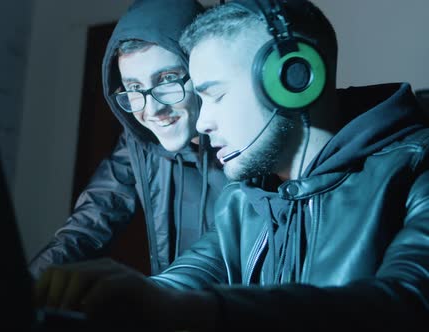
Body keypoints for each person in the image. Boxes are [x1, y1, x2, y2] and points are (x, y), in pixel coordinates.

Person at [33, 0, 429, 331]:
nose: (202, 123)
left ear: (293, 79)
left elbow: (408, 303)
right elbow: (184, 278)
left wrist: (192, 310)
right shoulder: (243, 201)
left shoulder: (417, 169)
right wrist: (121, 296)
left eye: (215, 95)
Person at [29, 0, 228, 280]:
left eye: (167, 79)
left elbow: (227, 241)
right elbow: (89, 222)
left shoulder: (246, 142)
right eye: (135, 88)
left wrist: (162, 295)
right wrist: (26, 289)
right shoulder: (140, 143)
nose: (152, 110)